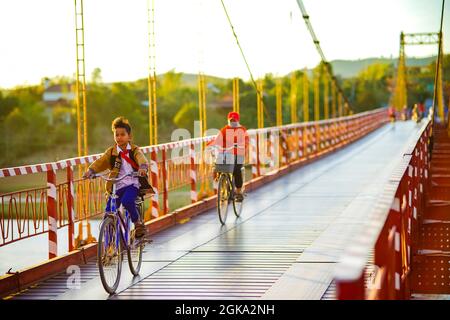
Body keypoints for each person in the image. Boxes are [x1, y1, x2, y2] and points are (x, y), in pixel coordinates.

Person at [82, 116, 152, 239]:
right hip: (116, 186)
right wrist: (91, 171)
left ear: (129, 136)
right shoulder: (111, 152)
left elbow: (141, 158)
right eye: (116, 135)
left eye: (122, 134)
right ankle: (109, 244)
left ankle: (138, 223)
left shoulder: (134, 150)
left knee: (127, 201)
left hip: (132, 184)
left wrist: (142, 167)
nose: (119, 137)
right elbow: (101, 162)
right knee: (109, 212)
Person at [209, 111, 249, 202]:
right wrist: (211, 145)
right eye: (231, 120)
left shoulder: (242, 130)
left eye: (234, 120)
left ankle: (238, 192)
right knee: (218, 165)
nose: (232, 122)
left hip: (239, 154)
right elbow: (217, 139)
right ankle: (223, 187)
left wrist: (243, 145)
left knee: (236, 170)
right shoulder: (225, 129)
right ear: (228, 120)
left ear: (238, 120)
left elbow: (246, 140)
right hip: (226, 153)